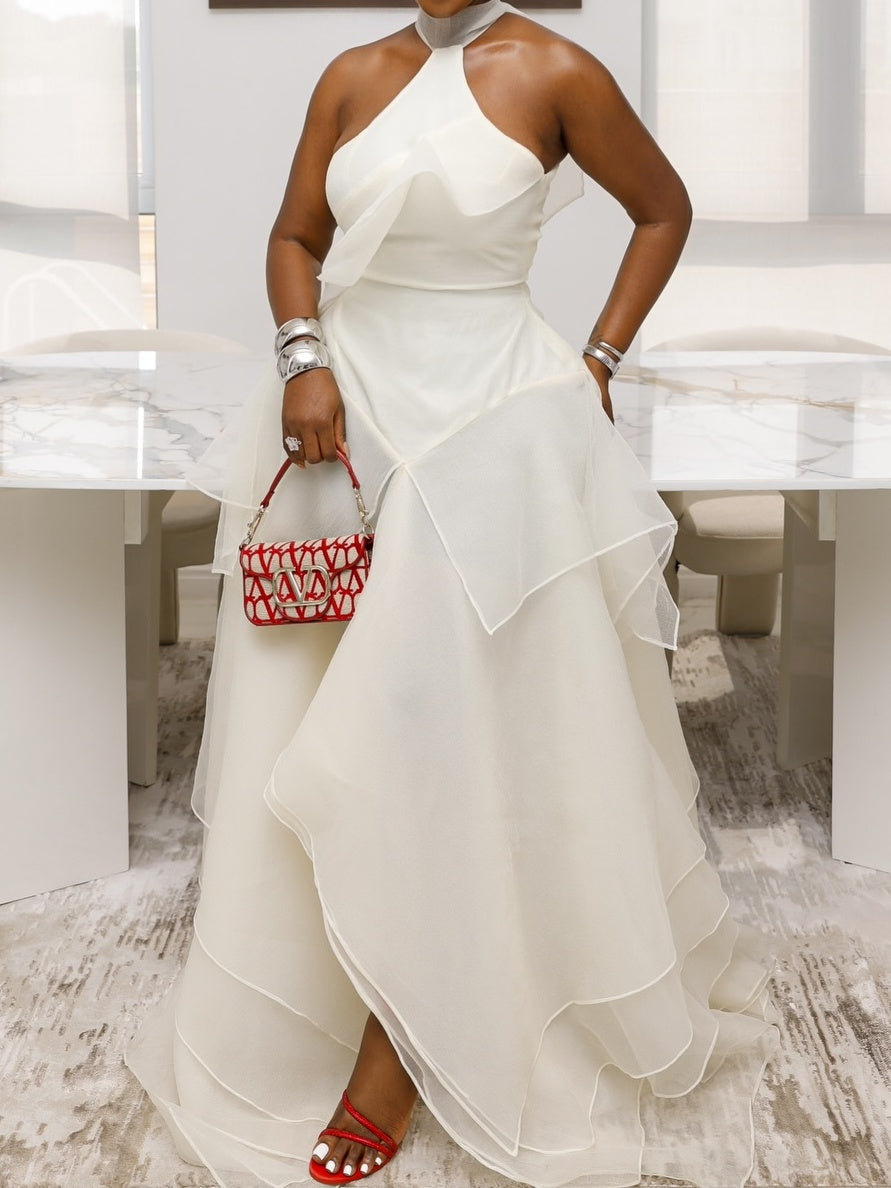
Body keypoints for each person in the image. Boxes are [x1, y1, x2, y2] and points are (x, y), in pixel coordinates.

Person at [127, 1, 781, 1185]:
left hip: (498, 421)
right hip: (353, 408)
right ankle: (332, 981)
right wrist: (303, 358)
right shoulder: (351, 74)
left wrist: (598, 360)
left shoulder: (557, 68)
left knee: (437, 715)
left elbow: (663, 207)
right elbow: (294, 237)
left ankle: (401, 1043)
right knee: (326, 708)